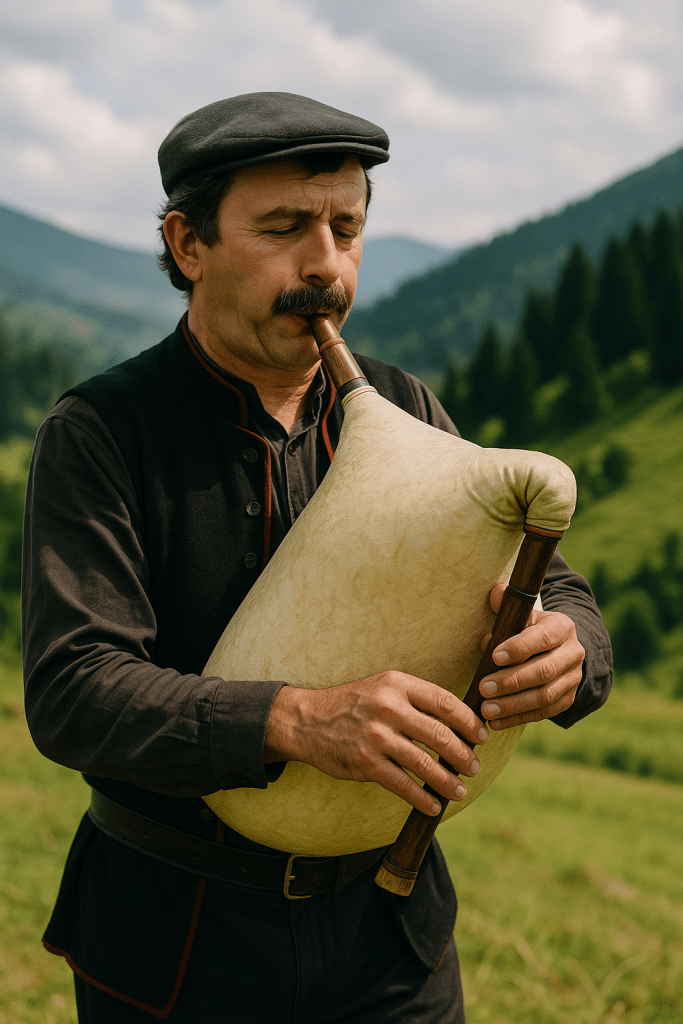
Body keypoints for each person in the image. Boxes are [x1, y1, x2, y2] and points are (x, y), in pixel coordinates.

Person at [22, 92, 613, 1023]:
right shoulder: (103, 432)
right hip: (177, 943)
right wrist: (298, 720)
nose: (326, 266)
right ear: (187, 244)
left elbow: (555, 583)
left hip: (390, 942)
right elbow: (74, 691)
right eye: (285, 227)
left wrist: (571, 647)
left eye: (346, 227)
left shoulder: (402, 404)